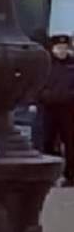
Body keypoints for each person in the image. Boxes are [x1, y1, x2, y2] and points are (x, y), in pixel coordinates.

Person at [40, 35, 74, 186]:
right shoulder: (45, 65)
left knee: (70, 143)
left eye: (64, 48)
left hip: (69, 110)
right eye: (59, 48)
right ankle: (47, 177)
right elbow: (37, 86)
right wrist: (44, 97)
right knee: (46, 141)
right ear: (52, 49)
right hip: (49, 109)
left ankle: (71, 176)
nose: (62, 51)